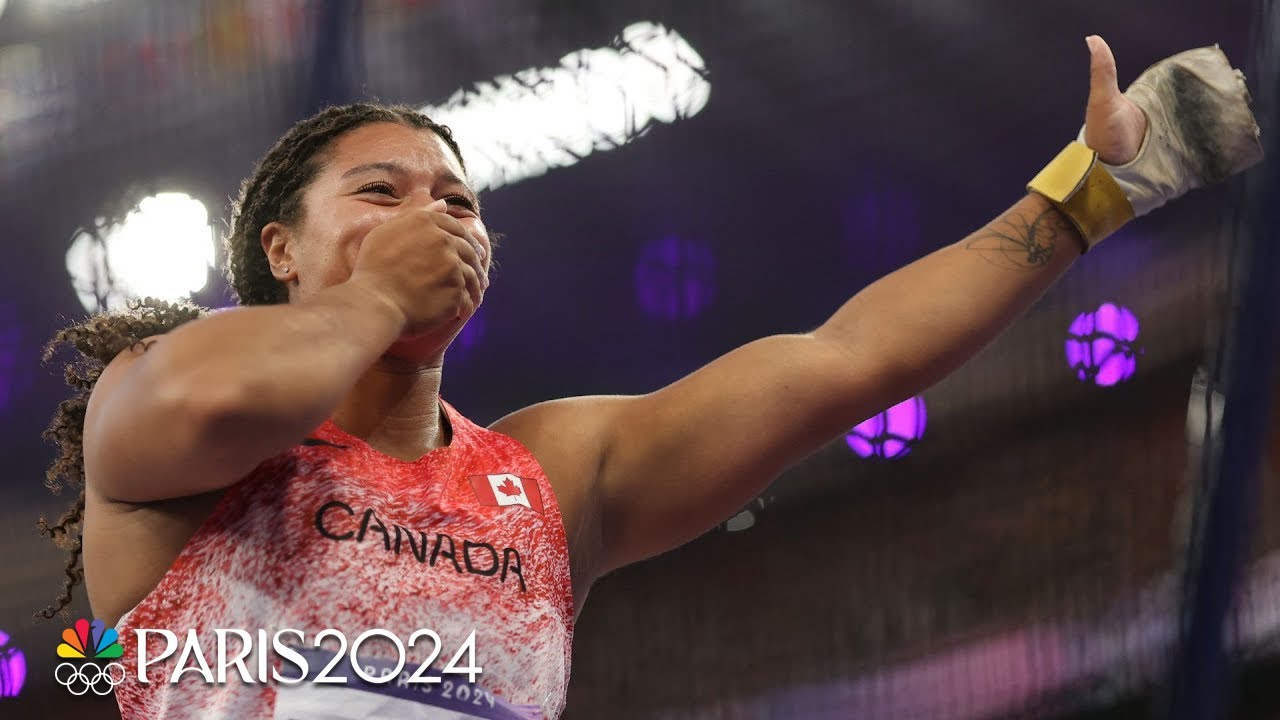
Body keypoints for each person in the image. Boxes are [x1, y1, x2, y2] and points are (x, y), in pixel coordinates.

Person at [38, 35, 1262, 719]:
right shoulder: (161, 407)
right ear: (279, 250)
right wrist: (375, 297)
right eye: (381, 192)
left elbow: (848, 360)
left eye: (458, 199)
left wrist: (1094, 191)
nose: (436, 213)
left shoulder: (552, 474)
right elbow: (218, 398)